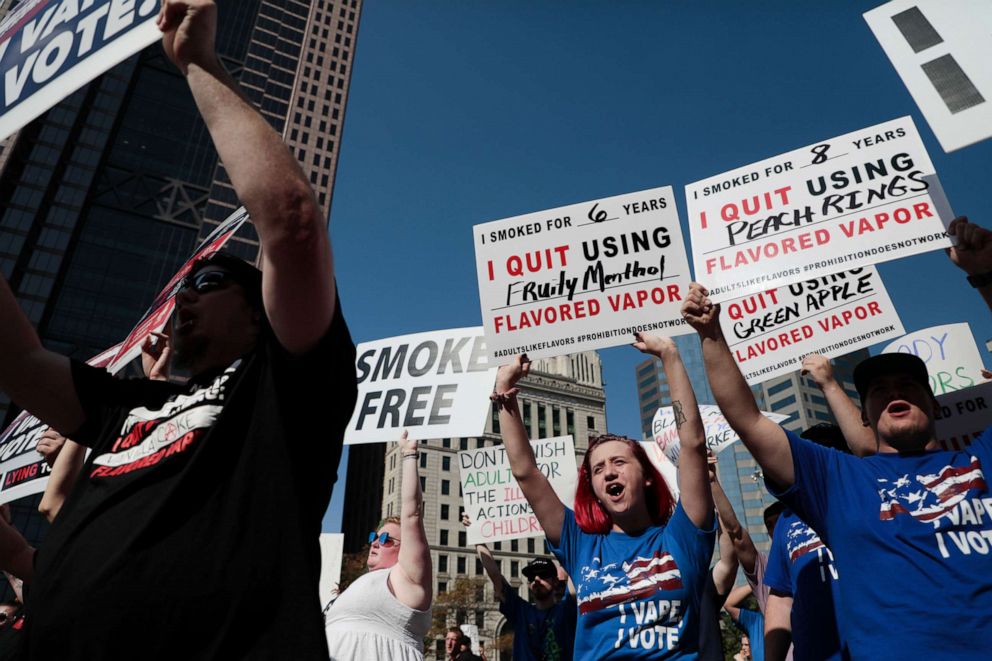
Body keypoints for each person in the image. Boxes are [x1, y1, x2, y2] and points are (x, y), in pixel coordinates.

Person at [0, 1, 357, 658]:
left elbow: (291, 225)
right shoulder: (127, 405)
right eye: (182, 287)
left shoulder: (283, 394)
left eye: (206, 283)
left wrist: (195, 60)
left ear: (258, 313)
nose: (181, 301)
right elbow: (20, 361)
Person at [682, 214, 992, 660]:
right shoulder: (838, 482)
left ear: (936, 404)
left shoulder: (980, 461)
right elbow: (748, 420)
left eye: (908, 386)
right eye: (880, 391)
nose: (894, 393)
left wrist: (985, 274)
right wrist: (711, 335)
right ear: (864, 415)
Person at [492, 333, 715, 659]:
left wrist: (670, 356)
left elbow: (692, 443)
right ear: (594, 490)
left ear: (648, 477)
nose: (609, 472)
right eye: (597, 469)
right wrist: (504, 394)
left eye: (619, 462)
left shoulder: (683, 537)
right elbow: (527, 473)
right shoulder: (580, 543)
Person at [325, 432, 432, 660]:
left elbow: (412, 514)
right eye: (375, 536)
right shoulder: (362, 583)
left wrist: (409, 454)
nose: (375, 542)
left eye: (385, 539)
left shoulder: (407, 579)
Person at [465, 514, 576, 661]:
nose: (536, 579)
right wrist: (476, 535)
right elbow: (495, 574)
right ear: (529, 584)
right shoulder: (521, 611)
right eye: (531, 577)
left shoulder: (567, 608)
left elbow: (576, 567)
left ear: (556, 582)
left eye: (543, 575)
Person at [723, 585, 763, 661]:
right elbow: (729, 603)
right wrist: (756, 584)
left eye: (746, 645)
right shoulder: (758, 622)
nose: (744, 648)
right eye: (743, 645)